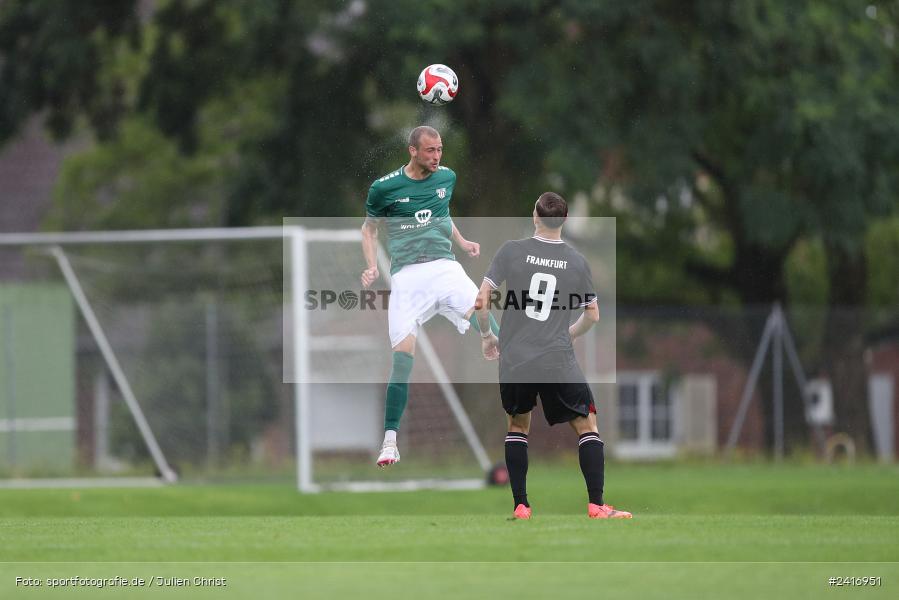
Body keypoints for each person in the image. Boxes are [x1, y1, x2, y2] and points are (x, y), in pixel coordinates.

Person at [475, 191, 632, 520]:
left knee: (518, 426)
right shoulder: (576, 262)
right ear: (565, 220)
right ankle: (596, 504)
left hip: (515, 357)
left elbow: (482, 299)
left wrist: (489, 337)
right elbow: (593, 315)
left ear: (535, 216)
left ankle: (521, 505)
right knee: (587, 425)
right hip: (556, 356)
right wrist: (570, 334)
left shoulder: (511, 251)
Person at [361, 125, 500, 467]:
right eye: (430, 151)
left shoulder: (446, 177)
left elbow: (442, 214)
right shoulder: (384, 188)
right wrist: (371, 266)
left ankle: (492, 342)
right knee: (403, 358)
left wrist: (463, 241)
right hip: (407, 277)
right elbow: (369, 229)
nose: (437, 157)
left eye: (440, 150)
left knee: (485, 307)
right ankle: (390, 441)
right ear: (412, 151)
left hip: (444, 268)